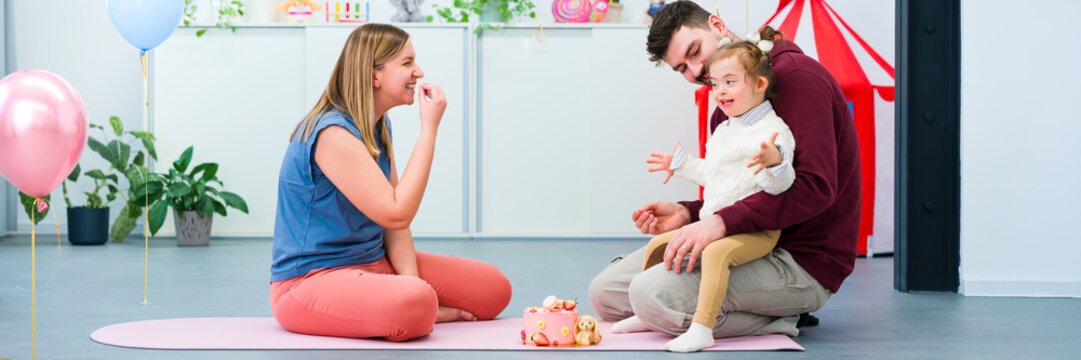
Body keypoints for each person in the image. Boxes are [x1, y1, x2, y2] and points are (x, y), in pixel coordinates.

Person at [589, 0, 861, 352]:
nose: (696, 71)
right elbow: (736, 190)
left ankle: (782, 317)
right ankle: (713, 309)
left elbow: (815, 188)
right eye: (682, 68)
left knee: (648, 296)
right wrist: (688, 213)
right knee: (606, 294)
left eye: (694, 52)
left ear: (717, 26)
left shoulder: (798, 78)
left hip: (800, 259)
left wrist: (719, 223)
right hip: (741, 238)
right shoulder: (725, 110)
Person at [270, 23, 511, 341]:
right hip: (310, 282)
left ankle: (418, 307)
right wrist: (429, 129)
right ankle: (417, 309)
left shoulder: (378, 125)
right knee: (416, 302)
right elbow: (397, 213)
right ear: (375, 76)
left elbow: (394, 226)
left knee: (493, 289)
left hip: (373, 263)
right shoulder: (333, 134)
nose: (419, 72)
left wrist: (414, 283)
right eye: (407, 63)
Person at [638, 26, 796, 352]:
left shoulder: (773, 132)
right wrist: (680, 164)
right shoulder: (725, 128)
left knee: (715, 254)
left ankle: (702, 326)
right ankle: (644, 315)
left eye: (730, 82)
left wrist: (774, 163)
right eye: (715, 84)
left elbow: (781, 186)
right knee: (658, 244)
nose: (720, 91)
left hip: (756, 230)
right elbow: (714, 174)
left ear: (760, 84)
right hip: (718, 221)